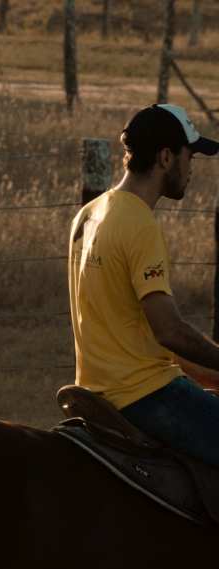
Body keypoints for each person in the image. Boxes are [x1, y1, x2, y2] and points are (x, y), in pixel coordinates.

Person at [68, 104, 219, 465]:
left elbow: (128, 328)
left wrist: (205, 373)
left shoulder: (89, 214)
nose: (192, 168)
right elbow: (167, 330)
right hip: (145, 395)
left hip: (94, 392)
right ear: (166, 157)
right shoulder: (142, 227)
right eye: (190, 155)